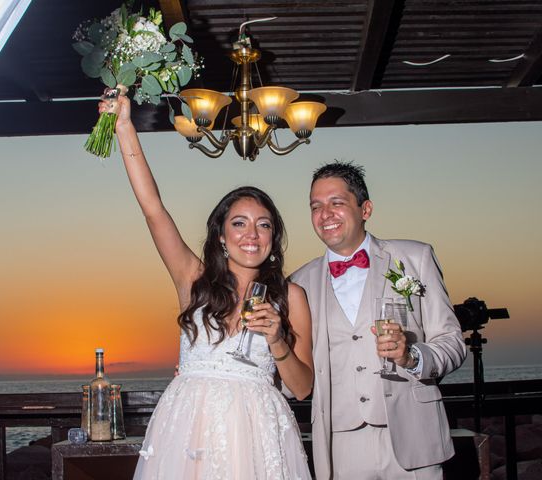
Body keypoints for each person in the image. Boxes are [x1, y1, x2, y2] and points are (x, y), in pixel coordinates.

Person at [100, 88, 314, 479]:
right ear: (220, 235)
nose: (252, 234)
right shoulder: (192, 278)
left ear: (273, 237)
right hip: (189, 430)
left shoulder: (291, 295)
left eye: (263, 225)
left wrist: (277, 339)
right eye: (239, 223)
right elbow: (153, 209)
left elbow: (302, 388)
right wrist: (125, 127)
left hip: (257, 432)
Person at [290, 161, 467, 479]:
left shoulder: (415, 258)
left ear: (365, 209)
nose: (324, 214)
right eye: (315, 206)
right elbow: (293, 368)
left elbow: (453, 343)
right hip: (339, 444)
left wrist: (412, 355)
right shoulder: (298, 283)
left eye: (337, 203)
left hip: (413, 435)